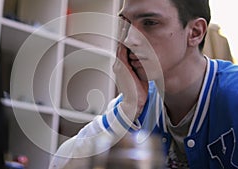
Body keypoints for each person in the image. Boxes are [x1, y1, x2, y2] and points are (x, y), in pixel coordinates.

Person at [49, 0, 238, 168]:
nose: (129, 40)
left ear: (195, 32)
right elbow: (59, 164)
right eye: (126, 24)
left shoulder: (233, 94)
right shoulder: (135, 102)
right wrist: (128, 109)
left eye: (150, 23)